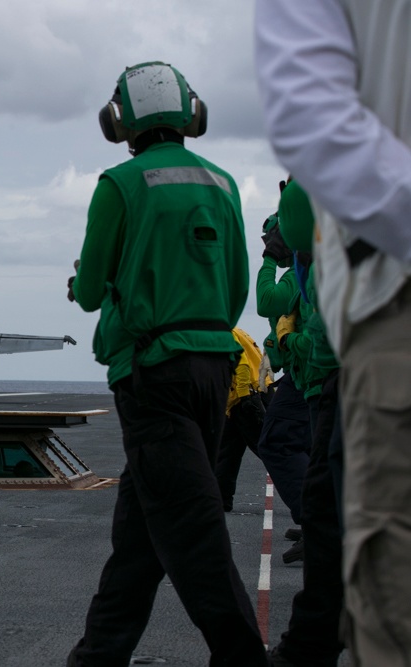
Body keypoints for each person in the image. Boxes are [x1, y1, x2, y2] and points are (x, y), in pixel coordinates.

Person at [66, 61, 267, 666]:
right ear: (190, 112)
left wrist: (83, 287)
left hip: (153, 377)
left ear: (120, 120)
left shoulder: (120, 183)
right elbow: (237, 291)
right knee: (138, 545)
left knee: (193, 537)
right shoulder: (226, 184)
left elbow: (95, 288)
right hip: (213, 371)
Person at [256, 2, 411, 663]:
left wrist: (286, 345)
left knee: (357, 537)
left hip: (364, 339)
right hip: (331, 361)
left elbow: (307, 122)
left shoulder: (296, 258)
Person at [267, 180, 345, 667]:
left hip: (338, 381)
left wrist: (297, 350)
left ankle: (311, 647)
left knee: (327, 514)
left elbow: (295, 227)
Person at [255, 209, 312, 551]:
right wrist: (270, 355)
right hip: (302, 372)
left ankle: (317, 522)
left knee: (276, 443)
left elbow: (266, 302)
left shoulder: (294, 275)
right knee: (306, 449)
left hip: (307, 375)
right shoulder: (301, 273)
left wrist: (267, 261)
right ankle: (317, 523)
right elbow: (281, 324)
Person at [214, 327, 267, 512]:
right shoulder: (235, 329)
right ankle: (221, 500)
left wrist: (244, 397)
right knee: (226, 452)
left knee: (273, 451)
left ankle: (307, 503)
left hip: (244, 399)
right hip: (246, 396)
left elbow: (241, 364)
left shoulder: (222, 332)